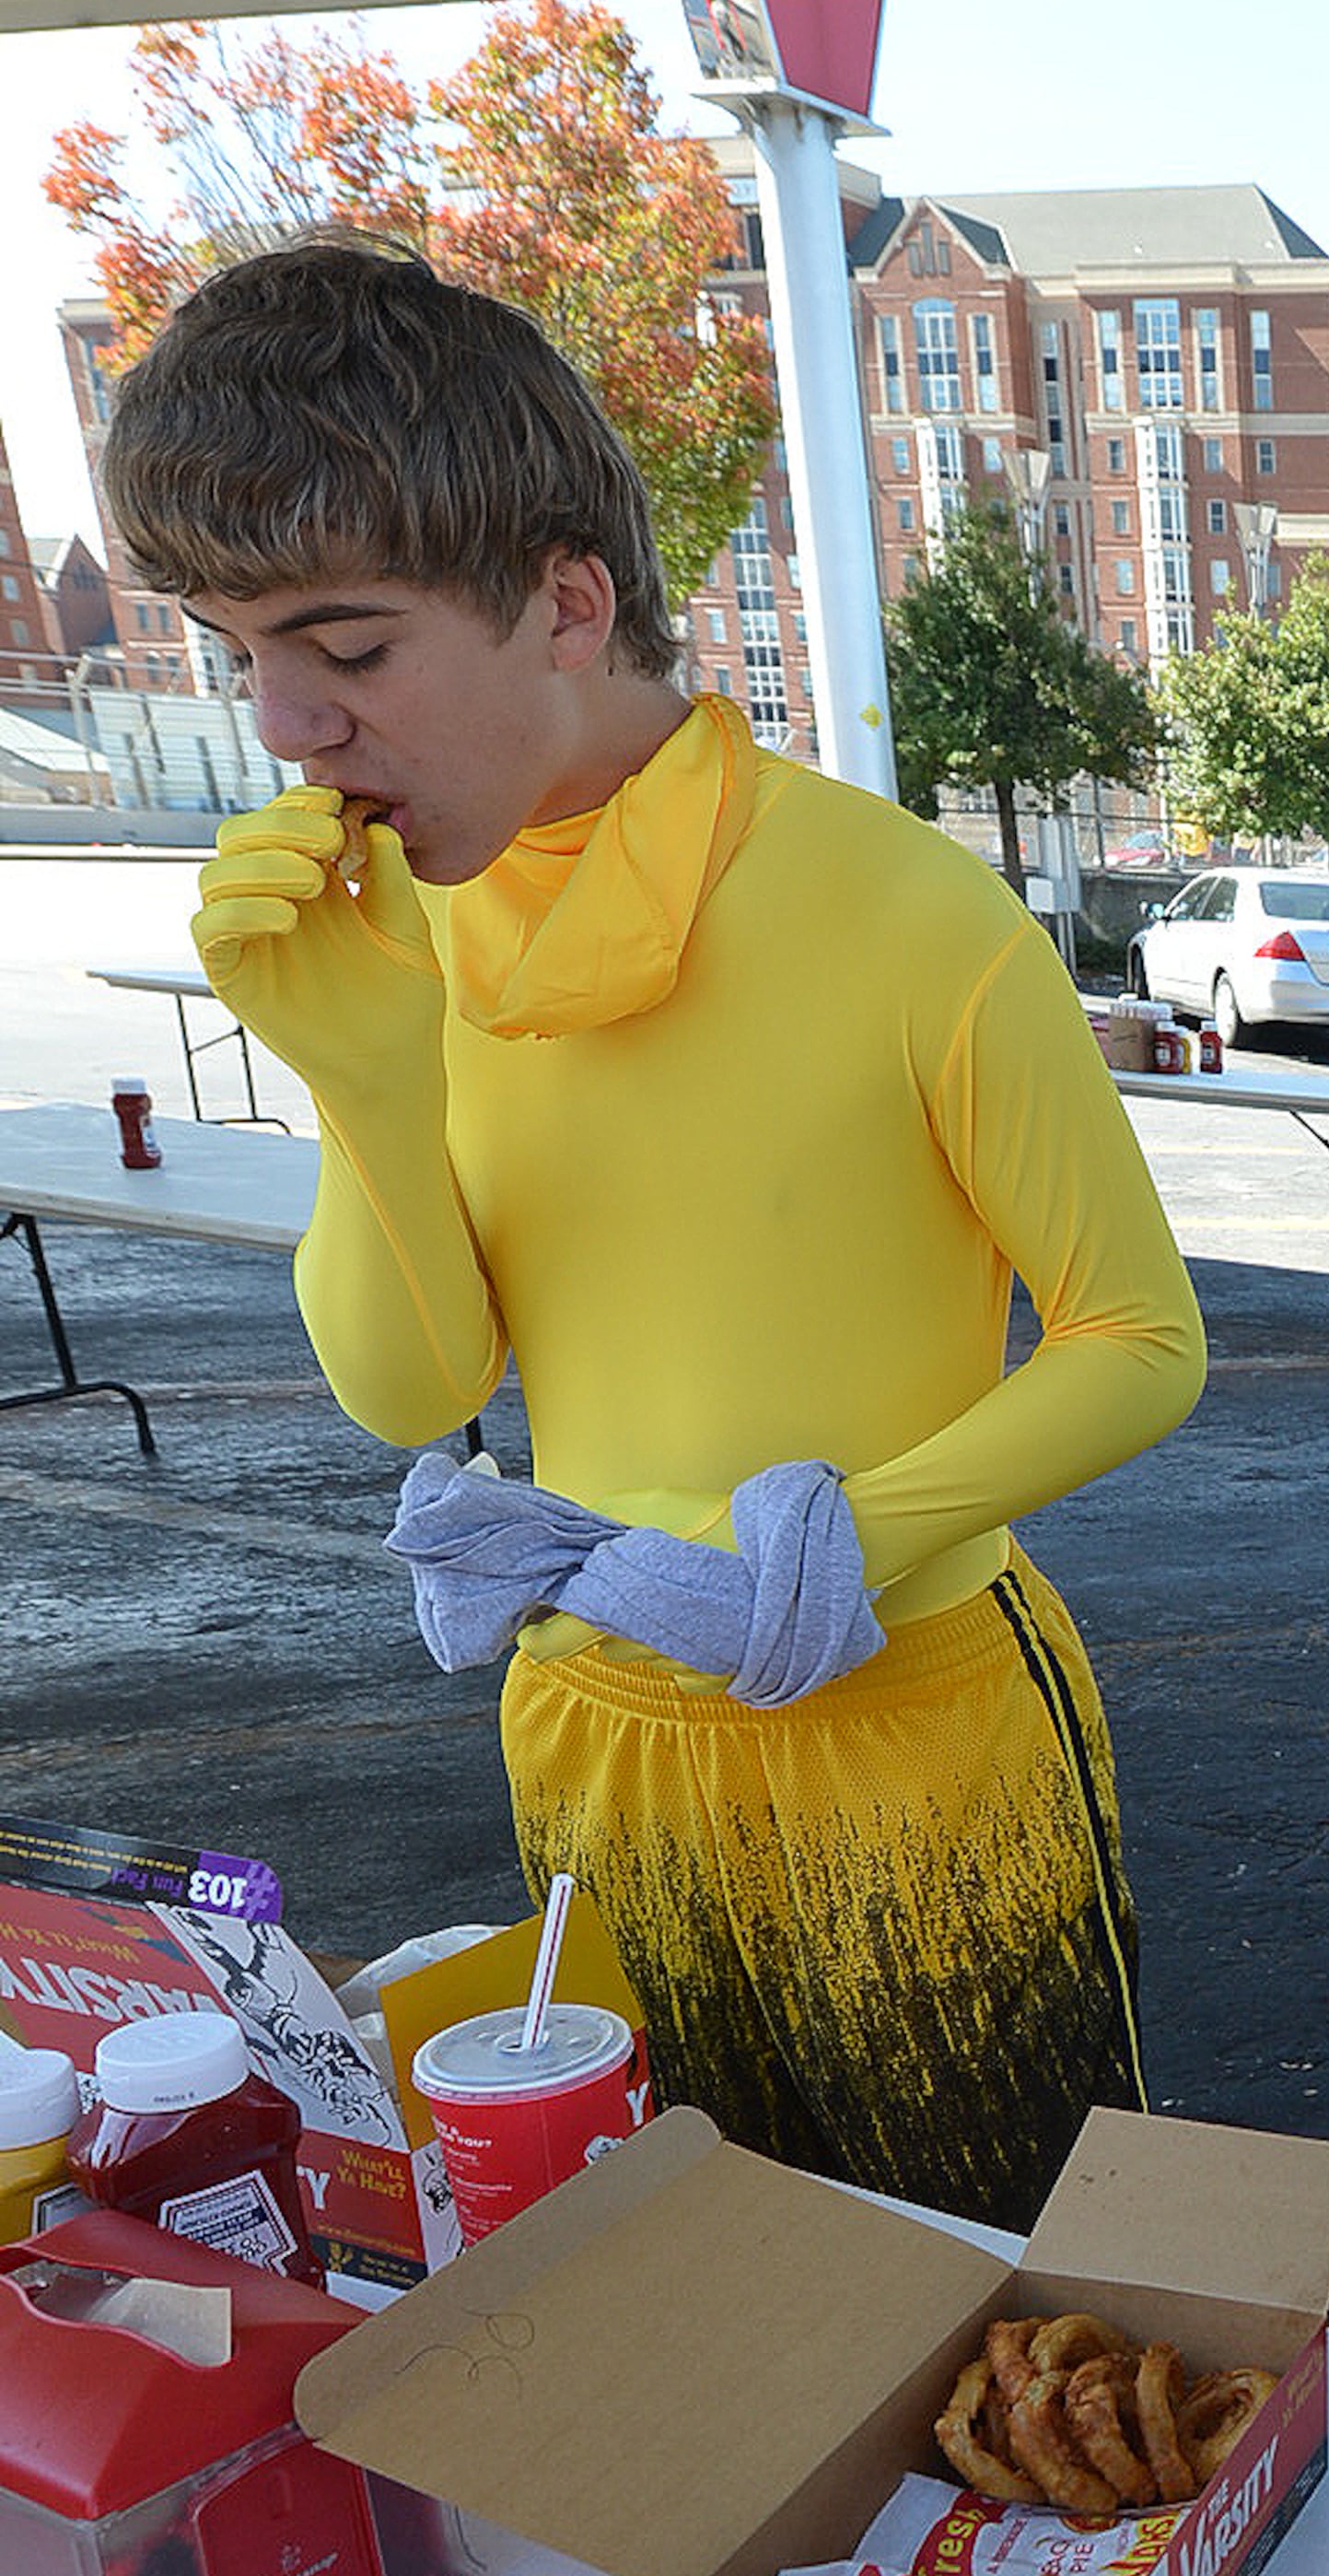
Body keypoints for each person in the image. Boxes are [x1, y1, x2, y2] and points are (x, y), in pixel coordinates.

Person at [123, 242, 1204, 2222]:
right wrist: (363, 1077)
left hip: (921, 1736)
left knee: (1009, 2281)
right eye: (233, 648)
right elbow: (420, 1383)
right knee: (675, 2268)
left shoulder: (903, 911)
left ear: (567, 598)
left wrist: (820, 1559)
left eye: (348, 650)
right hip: (595, 1734)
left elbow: (1141, 1331)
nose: (288, 724)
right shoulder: (411, 931)